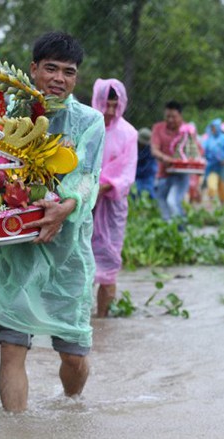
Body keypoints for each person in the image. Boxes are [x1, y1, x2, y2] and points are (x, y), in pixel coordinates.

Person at [0, 32, 105, 412]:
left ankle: (72, 406)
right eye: (50, 68)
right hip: (15, 250)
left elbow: (86, 176)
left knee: (73, 356)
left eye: (69, 72)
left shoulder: (90, 121)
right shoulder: (4, 111)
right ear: (33, 69)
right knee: (12, 348)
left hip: (67, 257)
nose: (59, 78)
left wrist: (67, 206)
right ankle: (14, 431)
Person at [90, 78, 137, 318]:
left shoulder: (129, 133)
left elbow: (127, 174)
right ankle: (78, 321)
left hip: (112, 208)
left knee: (109, 265)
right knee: (80, 263)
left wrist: (100, 189)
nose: (109, 111)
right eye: (105, 104)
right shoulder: (87, 127)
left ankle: (102, 319)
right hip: (83, 205)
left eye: (113, 105)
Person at [150, 101, 189, 225]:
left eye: (174, 117)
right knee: (161, 200)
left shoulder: (187, 130)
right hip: (164, 172)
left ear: (180, 116)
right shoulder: (158, 128)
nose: (170, 120)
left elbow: (196, 151)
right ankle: (168, 228)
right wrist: (166, 158)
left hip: (182, 174)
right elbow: (154, 150)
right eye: (168, 116)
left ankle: (180, 229)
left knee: (172, 201)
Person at [202, 118, 224, 205]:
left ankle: (223, 204)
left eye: (214, 127)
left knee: (223, 187)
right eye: (212, 128)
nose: (213, 129)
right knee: (211, 185)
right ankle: (210, 203)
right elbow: (203, 151)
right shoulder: (209, 140)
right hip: (212, 166)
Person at [134, 127, 157, 199]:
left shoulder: (151, 150)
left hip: (147, 174)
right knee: (133, 192)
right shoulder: (132, 145)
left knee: (148, 192)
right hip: (133, 174)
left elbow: (149, 168)